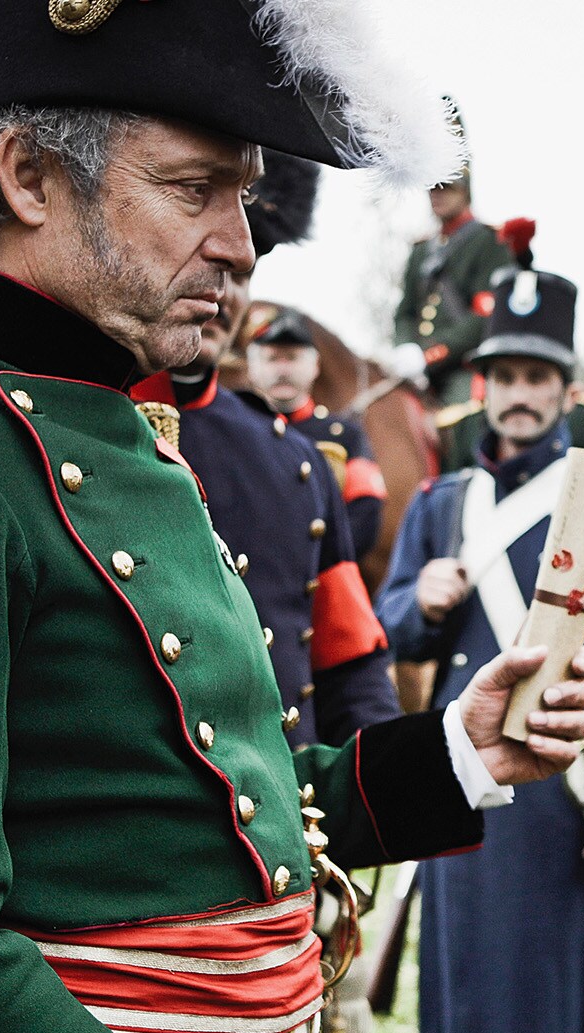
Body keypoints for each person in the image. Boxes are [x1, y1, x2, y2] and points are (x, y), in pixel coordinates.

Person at [0, 4, 584, 1033]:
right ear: (28, 177)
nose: (240, 244)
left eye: (243, 193)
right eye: (195, 188)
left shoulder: (133, 437)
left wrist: (458, 751)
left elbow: (221, 816)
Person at [377, 223, 584, 1033]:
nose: (519, 392)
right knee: (476, 1020)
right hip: (462, 790)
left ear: (564, 387)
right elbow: (388, 624)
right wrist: (420, 601)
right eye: (504, 375)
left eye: (536, 377)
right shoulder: (442, 504)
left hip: (566, 797)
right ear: (482, 385)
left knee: (554, 1028)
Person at [129, 151, 393, 749]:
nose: (227, 284)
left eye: (246, 273)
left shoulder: (298, 463)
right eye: (194, 244)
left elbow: (351, 668)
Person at [393, 102, 511, 408]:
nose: (438, 194)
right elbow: (406, 311)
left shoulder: (490, 243)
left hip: (464, 367)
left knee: (461, 421)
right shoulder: (421, 251)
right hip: (416, 370)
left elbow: (483, 318)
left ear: (465, 188)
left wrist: (429, 356)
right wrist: (405, 350)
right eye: (433, 187)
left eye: (447, 186)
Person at [248, 306, 389, 561]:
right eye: (271, 359)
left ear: (315, 366)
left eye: (292, 358)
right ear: (252, 368)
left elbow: (366, 514)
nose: (282, 370)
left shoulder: (345, 437)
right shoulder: (239, 431)